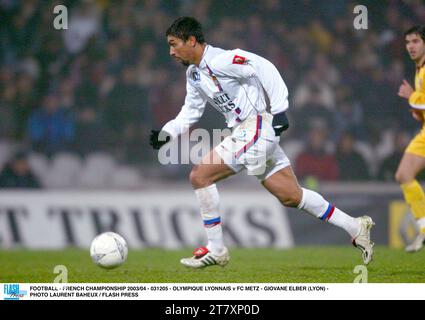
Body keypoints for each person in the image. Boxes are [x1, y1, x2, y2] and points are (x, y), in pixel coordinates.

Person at [150, 17, 374, 269]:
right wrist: (167, 133)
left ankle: (216, 248)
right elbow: (190, 112)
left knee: (200, 175)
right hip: (246, 133)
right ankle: (355, 226)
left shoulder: (223, 59)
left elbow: (263, 66)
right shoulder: (194, 75)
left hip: (256, 127)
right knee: (291, 196)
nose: (170, 52)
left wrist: (280, 109)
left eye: (174, 44)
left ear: (191, 40)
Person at [396, 25, 425, 253]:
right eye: (408, 42)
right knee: (404, 174)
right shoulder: (419, 69)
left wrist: (411, 97)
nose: (411, 46)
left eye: (415, 41)